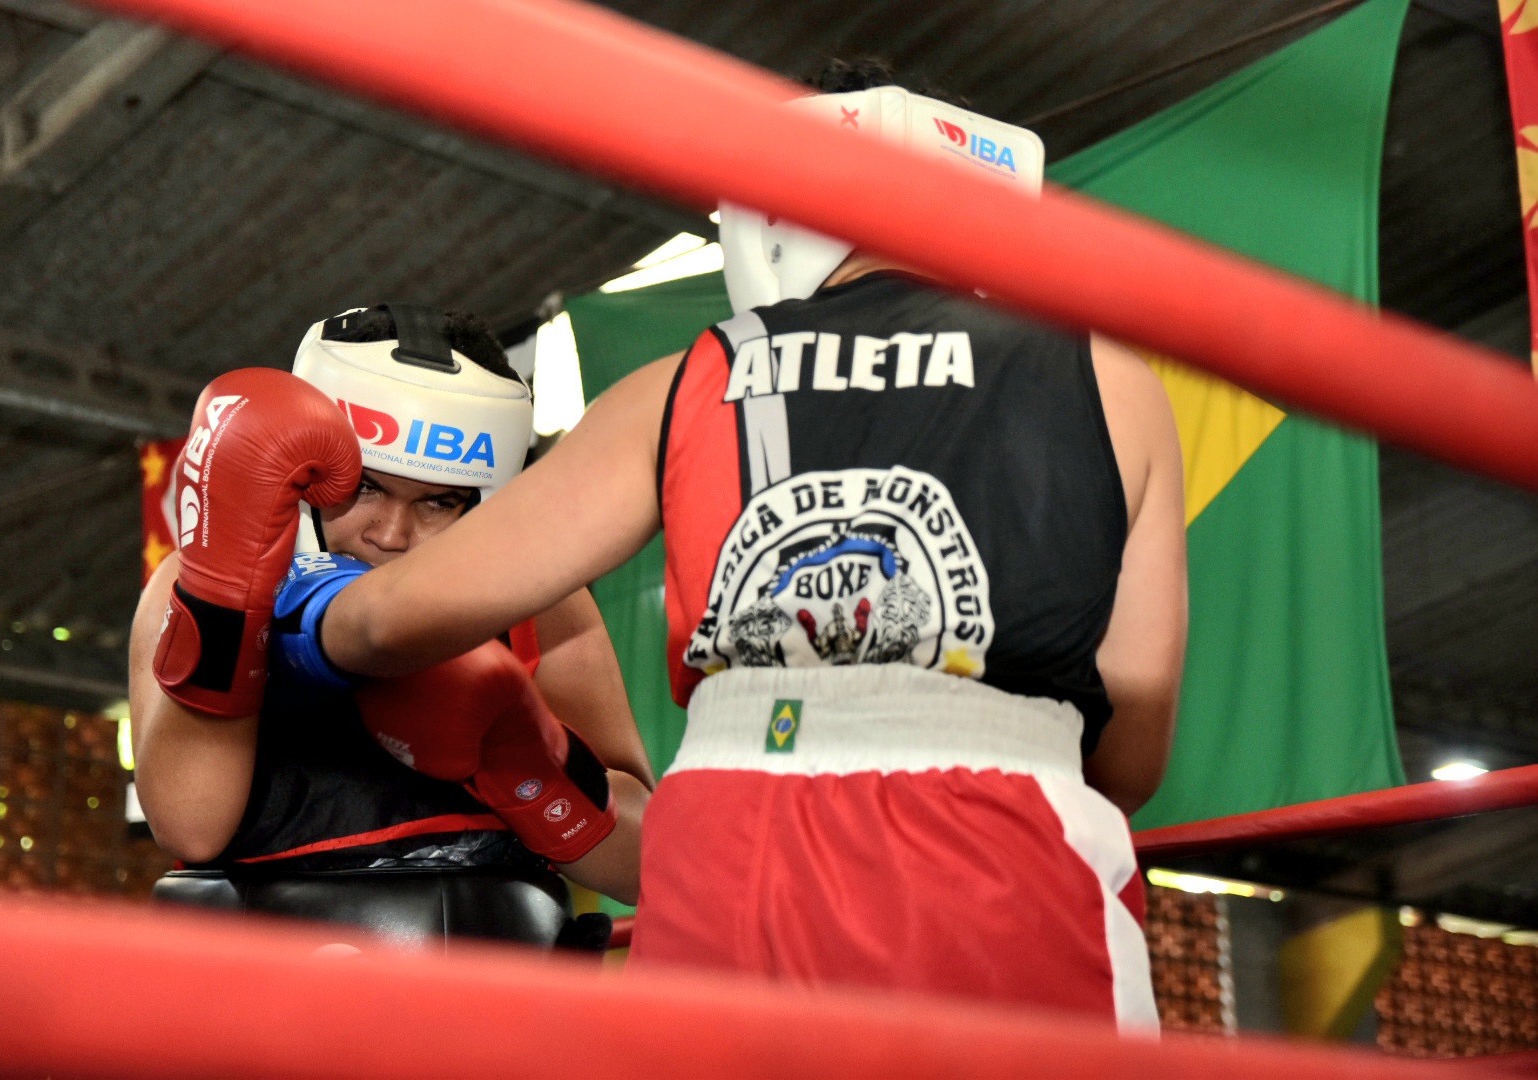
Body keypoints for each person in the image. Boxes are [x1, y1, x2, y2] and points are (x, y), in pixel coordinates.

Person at [270, 66, 1186, 1024]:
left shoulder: (683, 385)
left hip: (733, 836)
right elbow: (1131, 753)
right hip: (1005, 845)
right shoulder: (1114, 386)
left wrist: (255, 593)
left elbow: (383, 621)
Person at [128, 304, 652, 945]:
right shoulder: (193, 581)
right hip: (267, 987)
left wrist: (524, 760)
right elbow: (189, 827)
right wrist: (225, 603)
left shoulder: (535, 602)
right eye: (365, 489)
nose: (391, 534)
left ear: (483, 504)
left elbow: (647, 865)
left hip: (491, 991)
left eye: (438, 501)